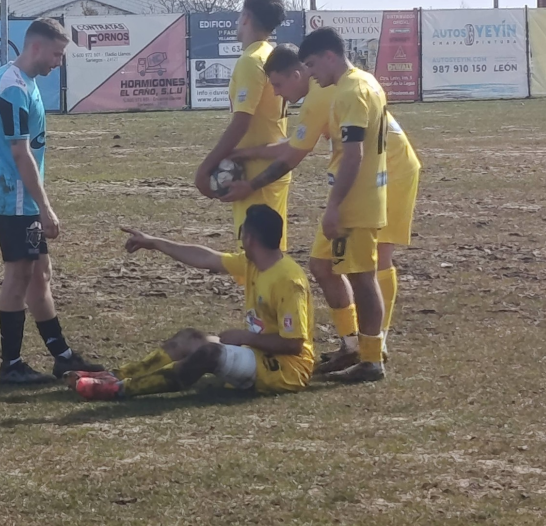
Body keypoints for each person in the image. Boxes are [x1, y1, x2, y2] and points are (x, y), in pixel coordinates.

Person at [221, 43, 422, 372]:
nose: (278, 95)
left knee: (373, 262)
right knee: (324, 264)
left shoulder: (325, 93)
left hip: (388, 169)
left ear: (300, 72)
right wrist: (248, 154)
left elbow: (294, 154)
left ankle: (374, 348)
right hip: (368, 170)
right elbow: (298, 143)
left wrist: (251, 181)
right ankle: (354, 344)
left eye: (279, 86)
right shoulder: (327, 86)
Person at [65, 205, 315, 401]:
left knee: (209, 353)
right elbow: (206, 257)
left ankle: (119, 390)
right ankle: (115, 375)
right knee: (189, 338)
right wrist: (154, 243)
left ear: (249, 238)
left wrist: (245, 337)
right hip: (259, 354)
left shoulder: (289, 281)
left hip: (286, 370)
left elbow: (293, 344)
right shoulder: (253, 263)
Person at [0, 18, 103, 384]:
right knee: (18, 274)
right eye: (56, 53)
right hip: (13, 195)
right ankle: (11, 366)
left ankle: (62, 356)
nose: (58, 61)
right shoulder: (13, 87)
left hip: (17, 194)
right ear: (36, 48)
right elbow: (20, 152)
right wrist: (45, 207)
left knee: (40, 274)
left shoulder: (20, 80)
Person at [285, 27, 391, 382]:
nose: (311, 74)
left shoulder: (351, 91)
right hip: (352, 198)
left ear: (330, 56)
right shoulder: (364, 82)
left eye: (313, 64)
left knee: (362, 277)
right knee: (321, 264)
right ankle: (351, 346)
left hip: (353, 204)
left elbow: (353, 155)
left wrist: (334, 208)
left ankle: (371, 358)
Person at [193, 0, 290, 250]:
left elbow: (241, 122)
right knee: (268, 251)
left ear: (245, 17)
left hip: (255, 168)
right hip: (269, 163)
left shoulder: (251, 60)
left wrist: (206, 167)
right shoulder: (269, 54)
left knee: (259, 253)